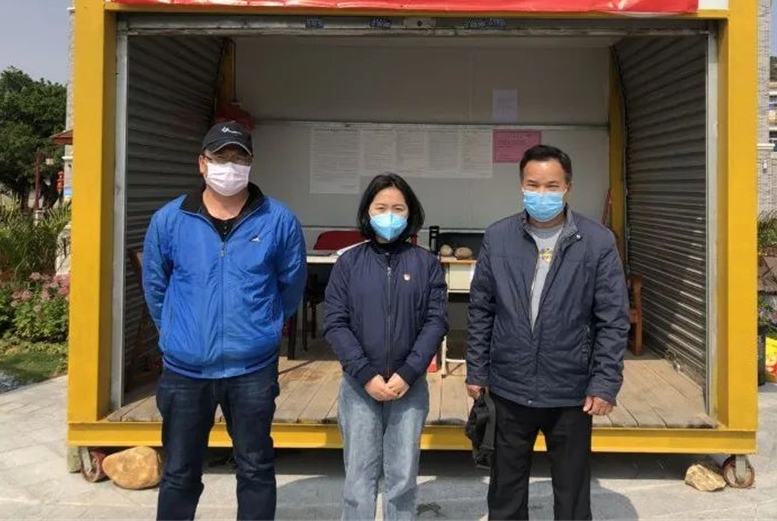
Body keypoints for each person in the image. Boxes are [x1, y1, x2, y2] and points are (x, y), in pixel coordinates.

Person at [143, 120, 306, 521]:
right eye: (220, 157)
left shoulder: (278, 220)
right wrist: (178, 331)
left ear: (251, 164)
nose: (229, 166)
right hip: (185, 371)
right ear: (202, 163)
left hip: (252, 368)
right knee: (179, 471)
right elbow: (156, 286)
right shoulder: (170, 219)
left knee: (256, 467)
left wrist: (264, 327)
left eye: (239, 158)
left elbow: (290, 287)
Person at [466, 145, 629, 521]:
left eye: (551, 186)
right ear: (521, 186)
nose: (542, 194)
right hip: (509, 385)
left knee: (572, 494)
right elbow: (481, 309)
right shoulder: (499, 237)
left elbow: (612, 319)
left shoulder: (597, 241)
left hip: (570, 389)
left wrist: (605, 382)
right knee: (505, 491)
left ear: (568, 186)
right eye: (533, 185)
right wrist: (476, 370)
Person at [323, 173, 449, 520]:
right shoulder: (349, 263)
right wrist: (365, 373)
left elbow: (436, 321)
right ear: (367, 212)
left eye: (398, 208)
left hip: (409, 386)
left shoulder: (426, 263)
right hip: (359, 385)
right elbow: (335, 322)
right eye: (381, 207)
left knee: (402, 477)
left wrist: (409, 372)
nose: (389, 214)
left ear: (410, 213)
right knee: (358, 477)